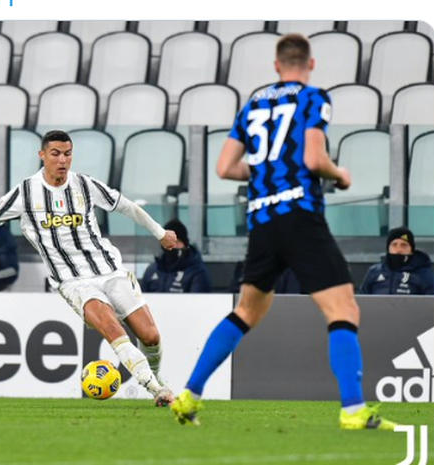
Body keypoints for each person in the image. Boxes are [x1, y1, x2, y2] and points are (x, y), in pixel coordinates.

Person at [171, 34, 399, 430]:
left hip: (261, 220)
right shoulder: (314, 98)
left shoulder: (255, 103)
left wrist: (263, 175)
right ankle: (353, 410)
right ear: (310, 65)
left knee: (246, 312)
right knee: (343, 310)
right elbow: (313, 157)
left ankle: (189, 394)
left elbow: (224, 168)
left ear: (276, 66)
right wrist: (339, 173)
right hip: (299, 214)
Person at [0, 130, 177, 406]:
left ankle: (157, 379)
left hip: (109, 269)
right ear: (42, 155)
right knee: (112, 328)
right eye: (55, 154)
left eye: (67, 153)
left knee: (151, 336)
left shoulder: (85, 185)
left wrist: (160, 232)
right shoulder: (26, 192)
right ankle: (156, 389)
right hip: (73, 281)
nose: (62, 160)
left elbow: (126, 207)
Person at [140, 219, 212, 293]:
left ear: (185, 244)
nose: (173, 246)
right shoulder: (152, 270)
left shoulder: (197, 272)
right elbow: (141, 299)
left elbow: (199, 302)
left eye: (177, 242)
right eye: (168, 242)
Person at [359, 226, 434, 295]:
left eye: (404, 245)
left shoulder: (423, 274)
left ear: (411, 250)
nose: (398, 250)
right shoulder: (374, 271)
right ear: (388, 248)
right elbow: (362, 301)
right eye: (394, 245)